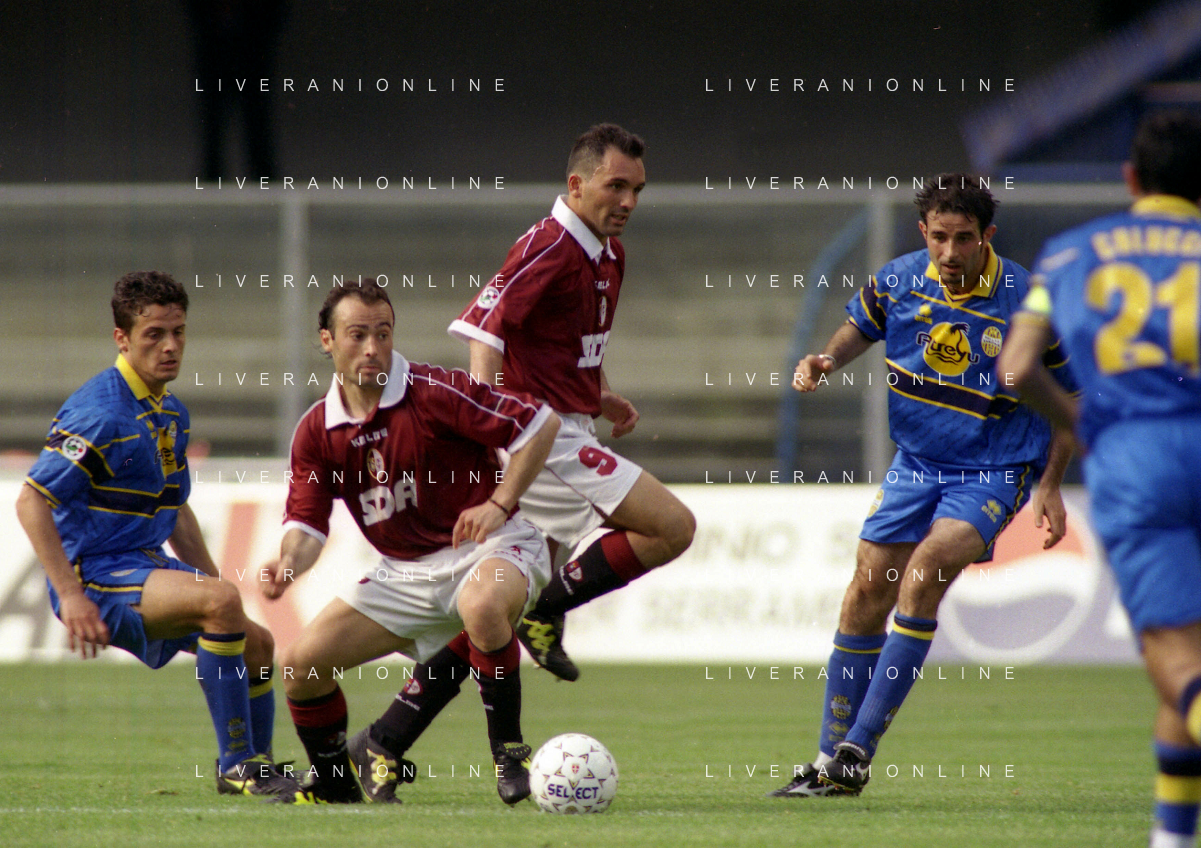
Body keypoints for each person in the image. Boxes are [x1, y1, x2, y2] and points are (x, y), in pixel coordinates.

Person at [770, 175, 1077, 798]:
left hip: (995, 467)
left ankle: (858, 750)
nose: (949, 252)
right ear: (923, 233)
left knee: (925, 569)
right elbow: (861, 326)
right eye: (939, 237)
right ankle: (830, 762)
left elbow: (1071, 398)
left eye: (964, 238)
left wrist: (1050, 484)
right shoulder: (899, 279)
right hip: (916, 464)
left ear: (987, 236)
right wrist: (827, 359)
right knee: (865, 591)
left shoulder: (1027, 300)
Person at [259, 278, 560, 805]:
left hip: (493, 549)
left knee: (483, 604)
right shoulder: (316, 431)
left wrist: (499, 503)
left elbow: (540, 424)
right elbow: (307, 526)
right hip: (403, 573)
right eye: (357, 335)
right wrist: (288, 563)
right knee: (300, 666)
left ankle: (509, 755)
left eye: (383, 333)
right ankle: (336, 786)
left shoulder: (433, 390)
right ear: (327, 340)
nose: (372, 347)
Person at [998, 111, 1201, 848]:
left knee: (1173, 652)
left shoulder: (1067, 254)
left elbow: (1016, 368)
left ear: (1130, 177)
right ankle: (1171, 837)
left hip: (1135, 457)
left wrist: (1077, 420)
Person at [15, 271, 295, 797]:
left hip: (142, 562)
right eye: (154, 335)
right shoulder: (100, 412)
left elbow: (177, 510)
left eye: (178, 332)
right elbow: (31, 500)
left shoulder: (170, 412)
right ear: (121, 339)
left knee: (258, 643)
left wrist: (214, 589)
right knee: (223, 605)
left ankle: (259, 767)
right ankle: (237, 766)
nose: (170, 346)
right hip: (95, 573)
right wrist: (70, 595)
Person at [445, 123, 696, 681]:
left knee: (496, 607)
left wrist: (597, 393)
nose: (628, 202)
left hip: (572, 424)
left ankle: (397, 724)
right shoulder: (551, 244)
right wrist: (488, 427)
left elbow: (567, 341)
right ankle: (547, 610)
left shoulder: (609, 253)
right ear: (577, 185)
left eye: (637, 190)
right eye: (616, 187)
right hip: (541, 437)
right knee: (672, 527)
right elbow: (485, 330)